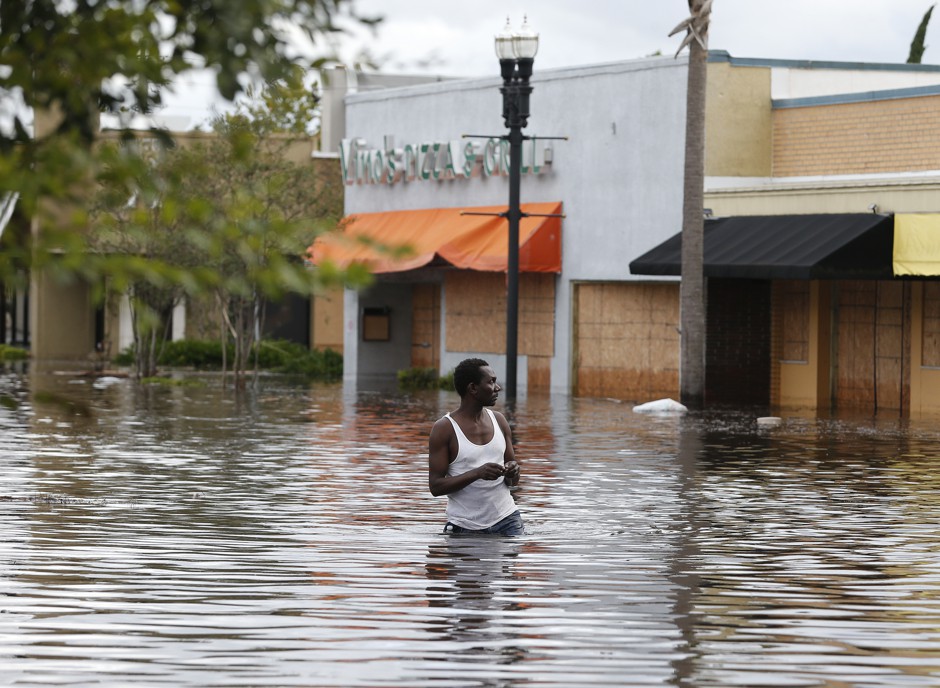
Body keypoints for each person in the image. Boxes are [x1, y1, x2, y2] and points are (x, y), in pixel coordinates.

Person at [428, 358, 524, 536]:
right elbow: (435, 487)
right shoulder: (444, 429)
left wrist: (513, 471)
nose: (498, 388)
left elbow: (513, 482)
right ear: (472, 388)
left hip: (508, 521)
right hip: (463, 527)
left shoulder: (500, 421)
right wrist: (477, 473)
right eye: (491, 382)